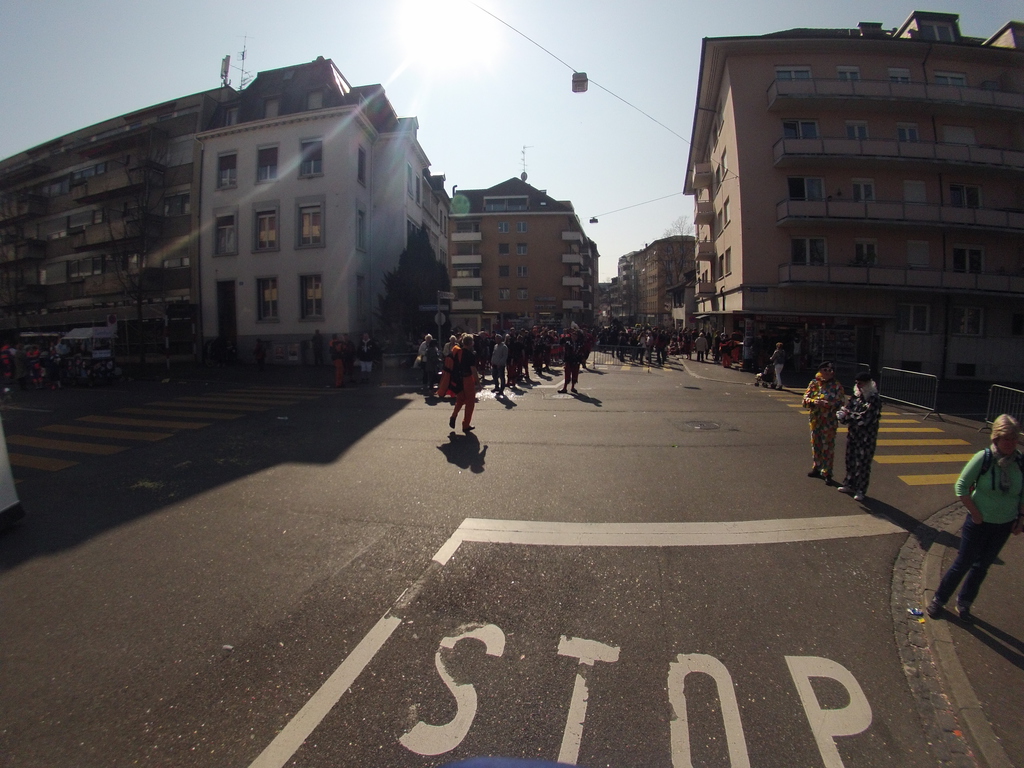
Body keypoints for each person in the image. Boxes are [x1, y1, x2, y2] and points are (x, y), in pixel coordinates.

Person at [927, 414, 1024, 623]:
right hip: (979, 523)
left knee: (982, 567)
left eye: (1014, 439)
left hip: (1004, 524)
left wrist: (1021, 518)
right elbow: (961, 486)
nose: (1011, 443)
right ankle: (939, 599)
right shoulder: (985, 458)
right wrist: (976, 513)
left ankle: (965, 602)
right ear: (996, 438)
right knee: (963, 563)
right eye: (1006, 439)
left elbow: (1022, 493)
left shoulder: (1020, 462)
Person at [836, 371, 882, 502]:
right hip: (853, 434)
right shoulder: (856, 397)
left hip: (866, 437)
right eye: (857, 383)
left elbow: (866, 418)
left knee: (863, 463)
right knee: (850, 459)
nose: (858, 386)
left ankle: (861, 489)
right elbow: (847, 409)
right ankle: (849, 484)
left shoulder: (874, 399)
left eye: (860, 383)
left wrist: (848, 415)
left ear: (868, 383)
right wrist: (842, 415)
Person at [802, 361, 846, 485]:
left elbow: (841, 402)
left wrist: (829, 404)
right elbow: (804, 400)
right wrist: (814, 402)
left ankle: (827, 472)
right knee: (816, 444)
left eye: (830, 370)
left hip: (829, 421)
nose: (827, 372)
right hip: (816, 419)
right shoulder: (814, 383)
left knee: (828, 446)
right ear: (820, 371)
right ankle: (817, 466)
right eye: (825, 370)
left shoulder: (836, 386)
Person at [448, 333, 479, 433]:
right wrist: (478, 382)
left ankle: (454, 416)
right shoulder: (470, 355)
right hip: (467, 379)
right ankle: (466, 425)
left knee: (460, 400)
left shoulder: (458, 352)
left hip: (458, 379)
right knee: (470, 403)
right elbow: (473, 370)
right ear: (470, 343)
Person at [558, 329, 582, 394]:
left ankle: (573, 387)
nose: (574, 337)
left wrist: (580, 359)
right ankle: (564, 388)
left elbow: (581, 351)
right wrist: (565, 335)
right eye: (573, 336)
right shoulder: (568, 342)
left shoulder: (579, 343)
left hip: (576, 360)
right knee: (567, 374)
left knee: (575, 374)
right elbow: (561, 343)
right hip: (569, 360)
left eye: (575, 336)